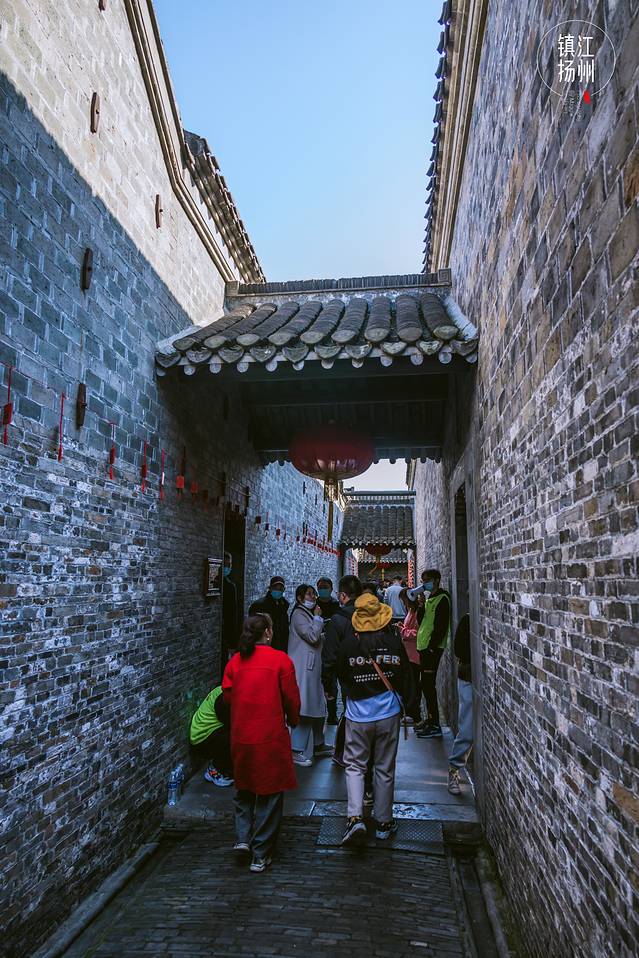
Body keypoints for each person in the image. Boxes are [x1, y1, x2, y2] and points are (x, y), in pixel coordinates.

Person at [222, 613, 301, 873]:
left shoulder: (235, 661)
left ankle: (242, 838)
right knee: (270, 793)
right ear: (267, 632)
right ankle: (260, 852)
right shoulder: (280, 660)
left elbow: (228, 696)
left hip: (242, 735)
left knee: (244, 788)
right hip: (269, 736)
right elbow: (291, 698)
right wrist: (293, 719)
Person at [337, 592, 413, 844]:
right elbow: (404, 674)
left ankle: (355, 818)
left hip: (358, 715)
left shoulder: (349, 644)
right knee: (384, 768)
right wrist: (408, 704)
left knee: (355, 766)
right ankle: (384, 821)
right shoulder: (392, 642)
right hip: (388, 712)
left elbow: (342, 674)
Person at [288, 584, 332, 765]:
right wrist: (318, 618)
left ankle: (319, 744)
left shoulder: (306, 614)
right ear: (299, 598)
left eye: (313, 593)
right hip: (304, 668)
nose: (313, 596)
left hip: (311, 668)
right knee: (305, 708)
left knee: (317, 706)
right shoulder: (299, 615)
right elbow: (312, 636)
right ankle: (295, 749)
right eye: (308, 594)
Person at [322, 574, 363, 764]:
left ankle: (344, 752)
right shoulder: (374, 615)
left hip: (348, 674)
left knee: (350, 711)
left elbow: (329, 656)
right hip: (373, 672)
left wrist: (328, 685)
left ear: (343, 595)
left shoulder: (337, 619)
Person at [415, 569, 451, 739]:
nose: (425, 583)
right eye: (423, 581)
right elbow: (422, 621)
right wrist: (421, 605)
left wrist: (431, 647)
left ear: (437, 580)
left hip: (432, 649)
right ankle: (430, 719)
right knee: (425, 684)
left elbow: (441, 627)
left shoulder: (443, 599)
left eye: (427, 580)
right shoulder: (431, 598)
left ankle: (435, 724)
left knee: (428, 685)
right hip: (424, 646)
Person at [189, 684, 233, 787]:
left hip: (203, 735)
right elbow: (231, 722)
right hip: (202, 739)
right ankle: (215, 770)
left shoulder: (222, 690)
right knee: (236, 737)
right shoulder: (224, 698)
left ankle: (222, 768)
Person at [448, 613, 473, 794]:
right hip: (468, 678)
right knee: (467, 731)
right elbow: (459, 650)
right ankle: (454, 769)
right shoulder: (467, 620)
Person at [398, 588, 422, 724]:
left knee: (413, 685)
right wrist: (403, 626)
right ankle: (410, 711)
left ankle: (414, 713)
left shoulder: (417, 613)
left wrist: (402, 630)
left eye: (404, 600)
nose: (403, 603)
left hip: (414, 654)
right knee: (409, 684)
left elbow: (417, 633)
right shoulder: (410, 611)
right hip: (408, 653)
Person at [248, 575, 289, 653]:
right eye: (275, 588)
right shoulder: (259, 605)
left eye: (280, 589)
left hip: (280, 648)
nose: (278, 591)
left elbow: (285, 629)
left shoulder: (284, 606)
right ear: (270, 588)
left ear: (284, 590)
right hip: (264, 647)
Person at [221, 552, 239, 667]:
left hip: (226, 633)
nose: (227, 568)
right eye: (225, 565)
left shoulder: (230, 586)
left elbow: (232, 614)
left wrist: (233, 641)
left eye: (229, 565)